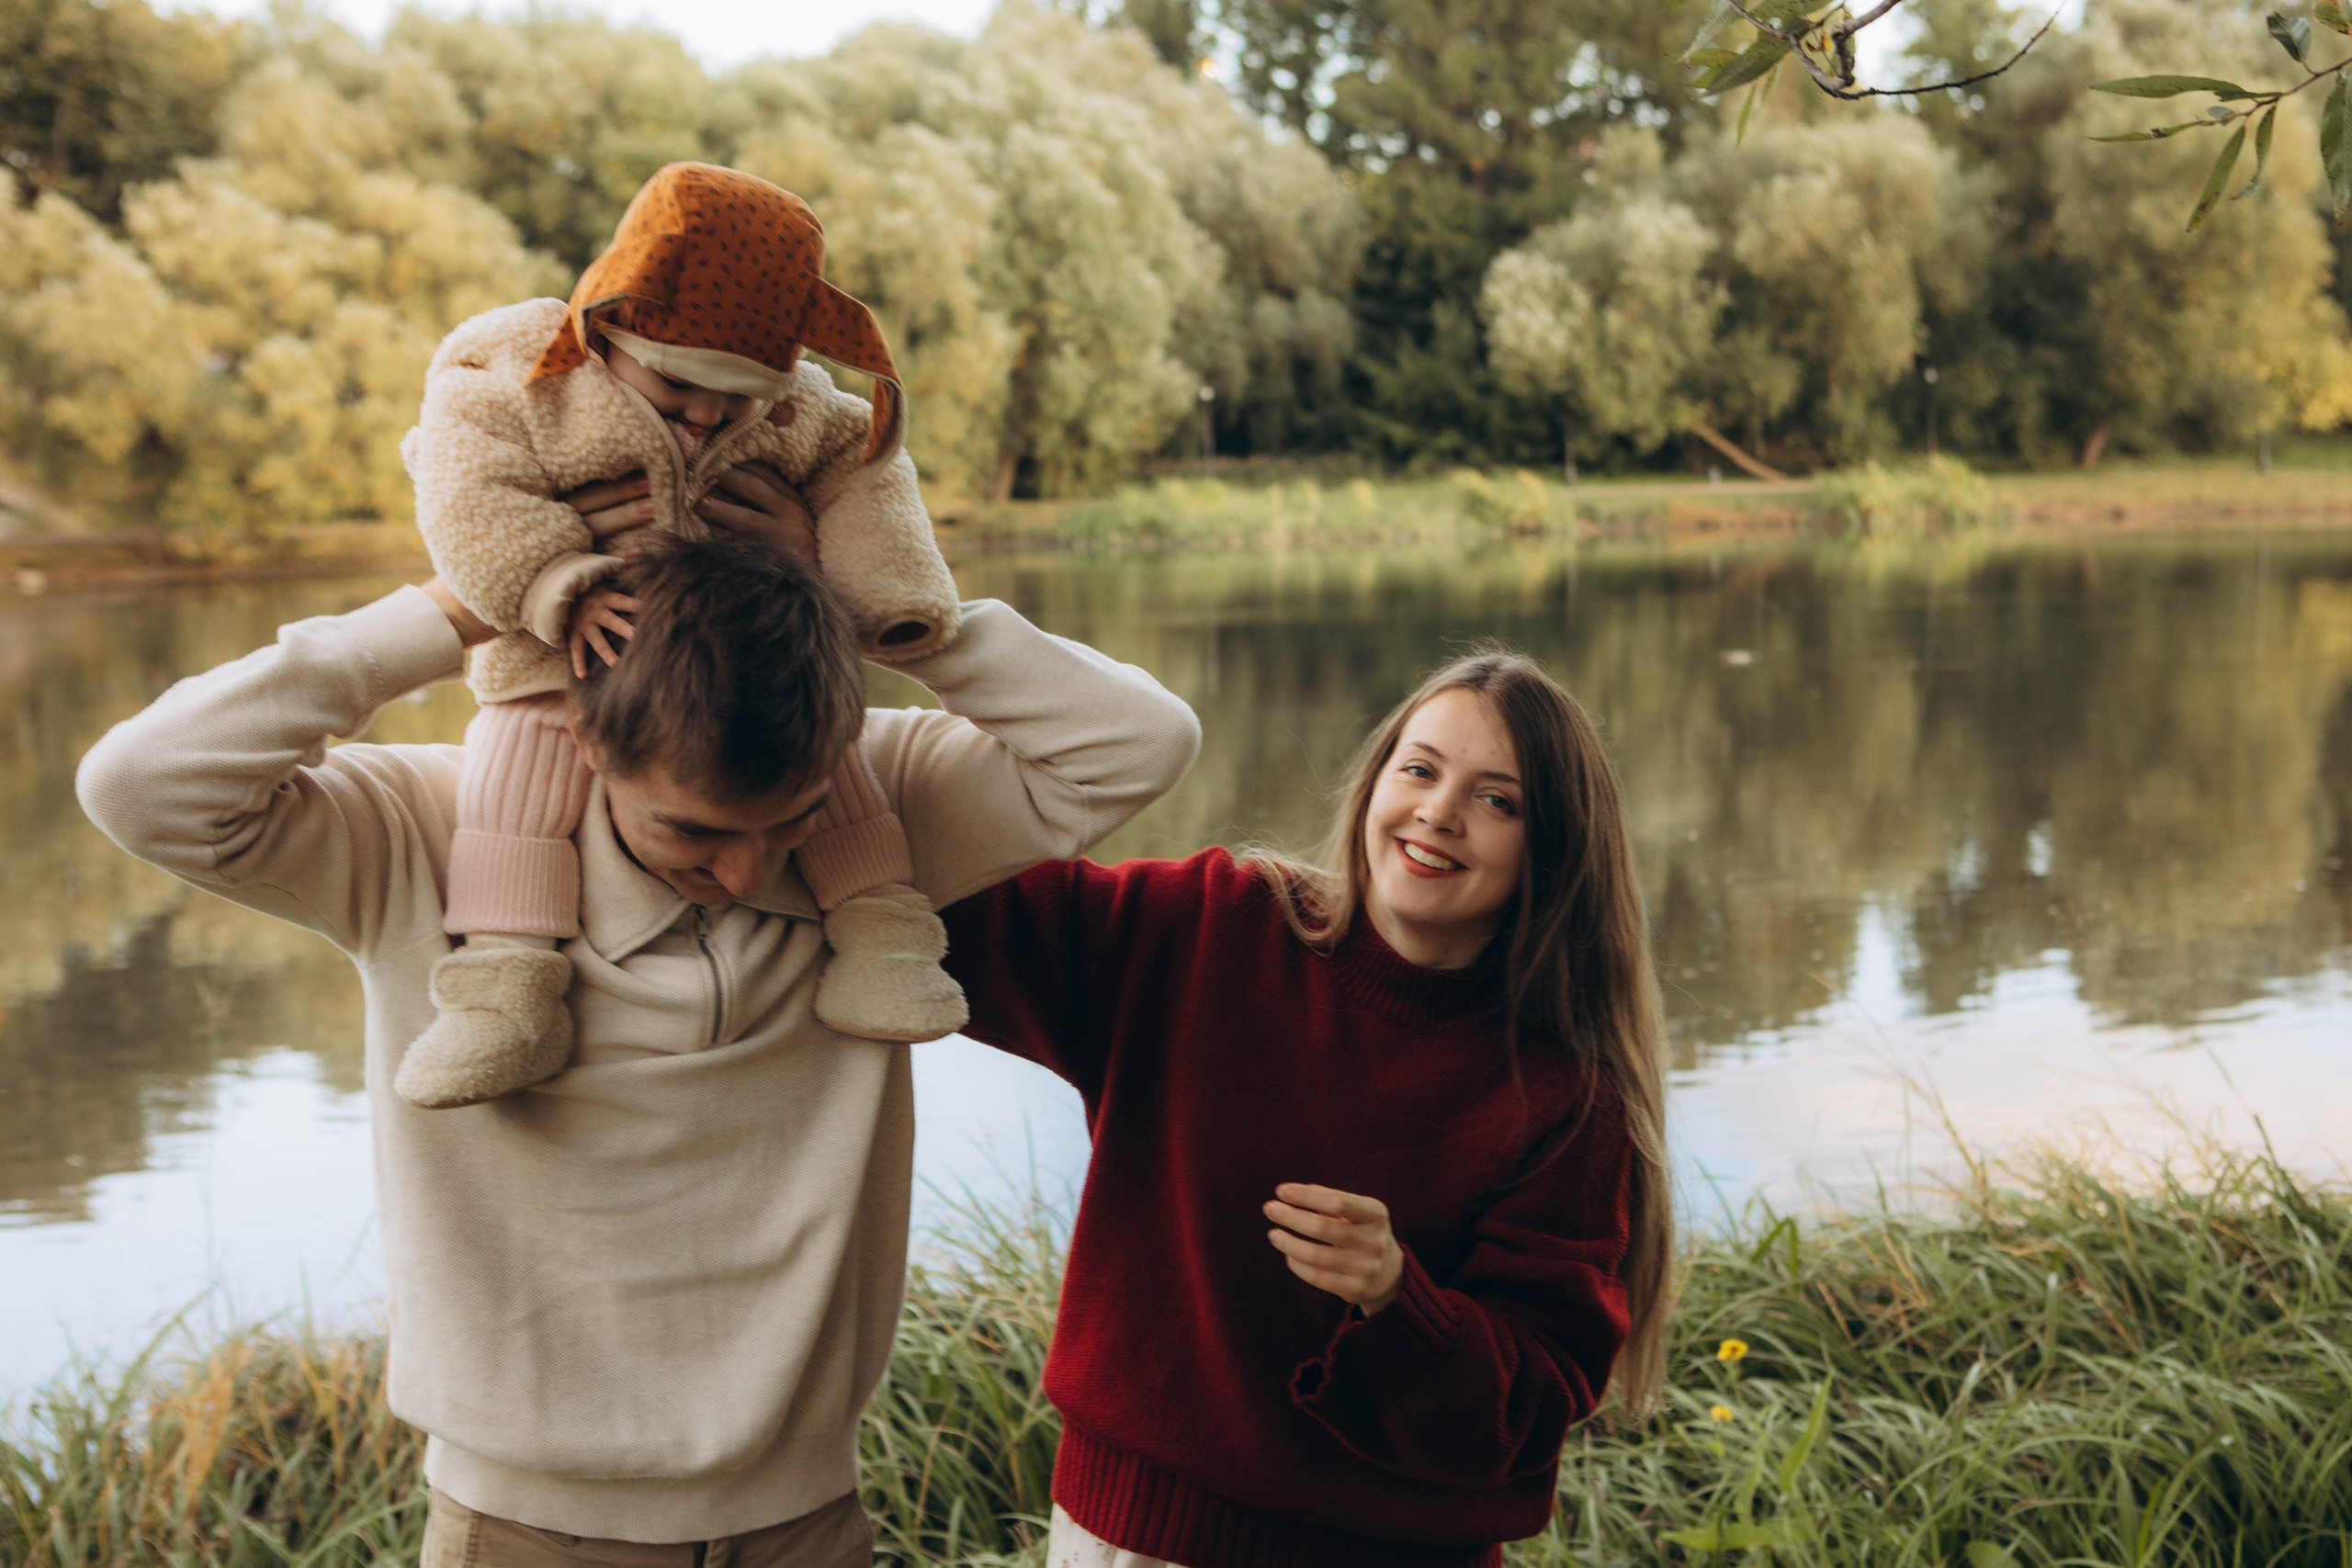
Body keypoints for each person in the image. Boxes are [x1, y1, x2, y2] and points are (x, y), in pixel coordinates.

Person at [75, 530, 1201, 1564]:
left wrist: (884, 601)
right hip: (526, 1529)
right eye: (697, 830)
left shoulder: (875, 811)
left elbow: (1136, 744)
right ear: (583, 733)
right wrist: (454, 606)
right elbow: (142, 784)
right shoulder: (423, 837)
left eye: (789, 822)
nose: (753, 871)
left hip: (805, 1520)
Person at [940, 650, 1672, 1568]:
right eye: (1419, 769)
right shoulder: (1216, 926)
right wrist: (916, 630)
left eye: (1497, 800)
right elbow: (952, 898)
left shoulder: (1566, 1096)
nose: (1437, 812)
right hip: (1131, 1540)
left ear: (1551, 849)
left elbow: (1523, 1417)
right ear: (1374, 784)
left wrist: (1397, 1297)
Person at [397, 159, 968, 1111]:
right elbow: (461, 485)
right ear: (607, 325)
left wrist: (868, 592)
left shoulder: (803, 413)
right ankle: (505, 984)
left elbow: (869, 475)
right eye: (677, 392)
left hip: (758, 651)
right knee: (515, 773)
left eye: (737, 400)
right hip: (560, 644)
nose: (706, 420)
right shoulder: (516, 384)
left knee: (812, 759)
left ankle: (883, 933)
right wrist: (548, 579)